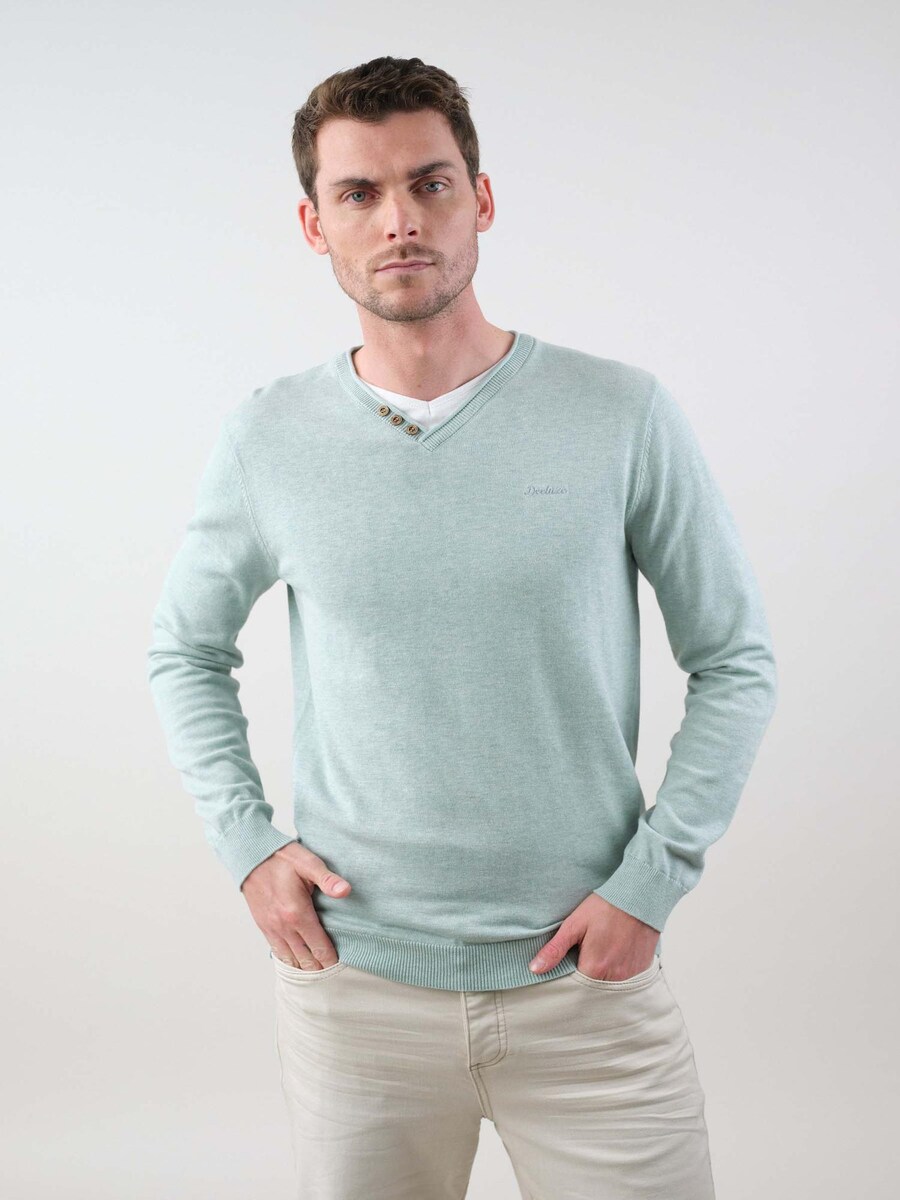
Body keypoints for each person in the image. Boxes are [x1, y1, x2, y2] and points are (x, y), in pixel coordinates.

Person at [147, 54, 777, 1200]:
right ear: (314, 224)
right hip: (358, 999)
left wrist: (653, 881)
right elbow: (185, 651)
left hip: (587, 990)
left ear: (480, 199)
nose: (400, 221)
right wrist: (248, 846)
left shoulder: (620, 414)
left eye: (429, 184)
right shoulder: (268, 439)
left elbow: (734, 659)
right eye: (360, 193)